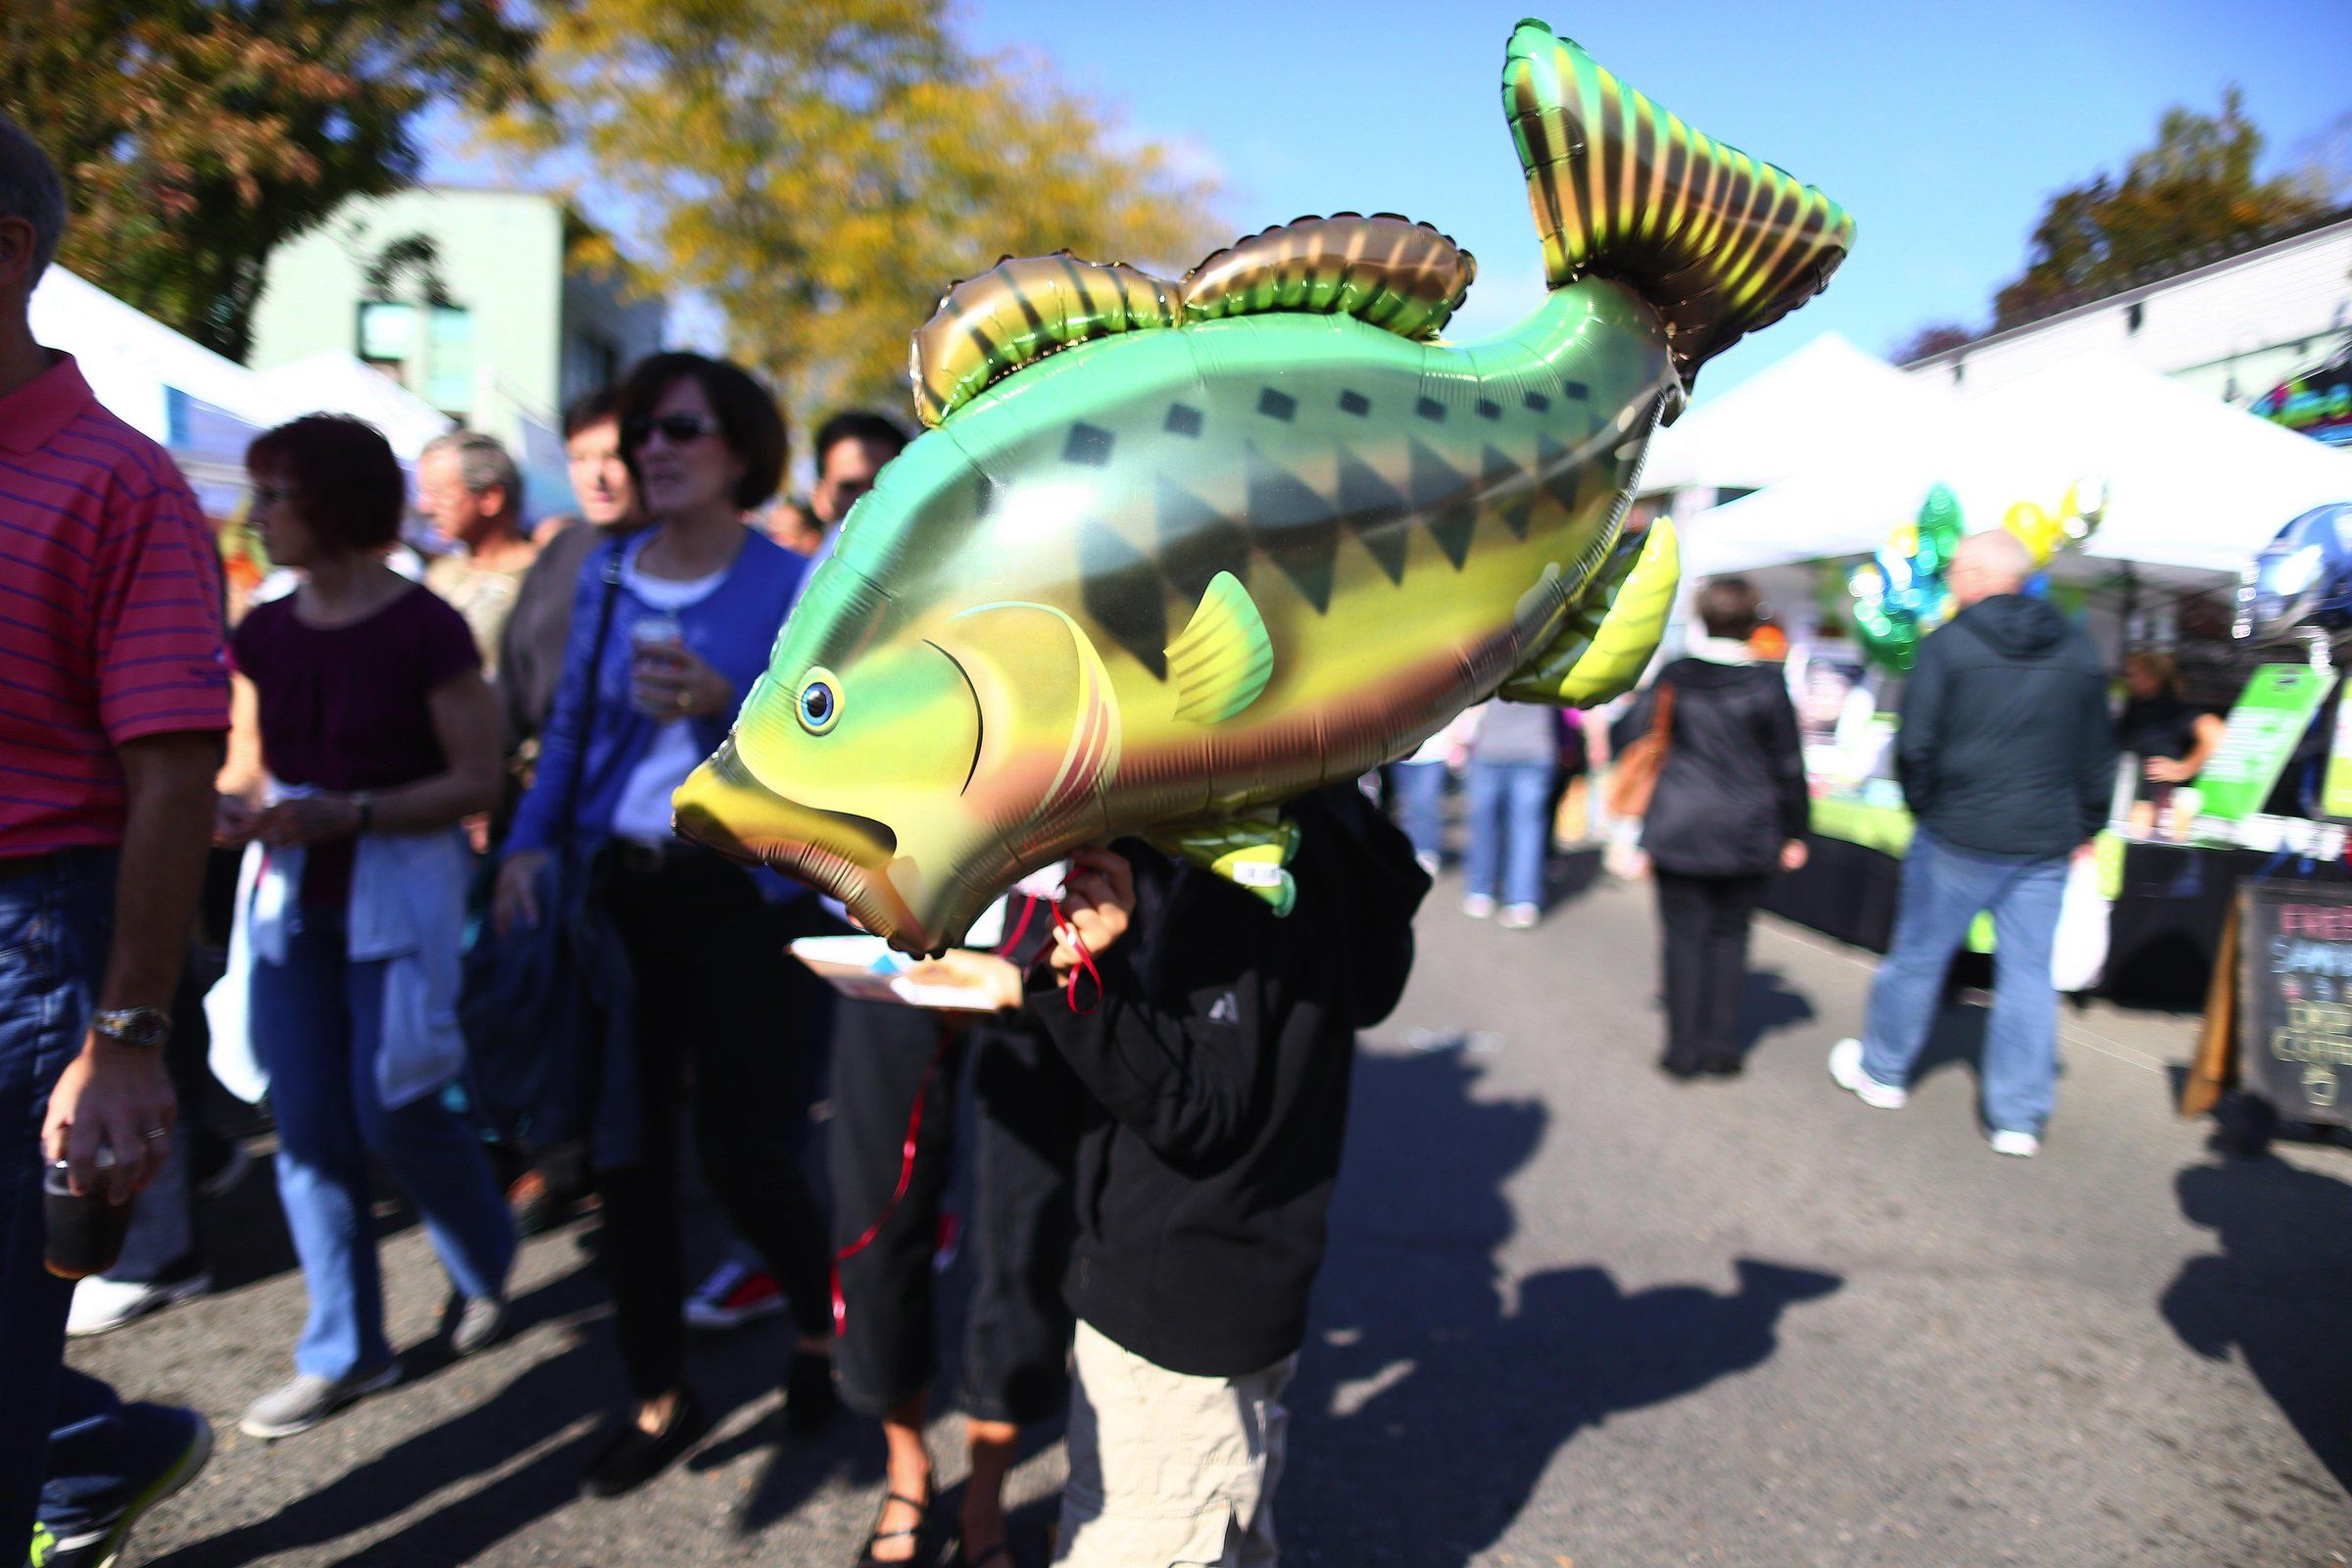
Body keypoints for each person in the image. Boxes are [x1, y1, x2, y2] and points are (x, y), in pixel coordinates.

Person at [492, 351, 840, 1496]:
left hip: (744, 897)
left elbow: (829, 760)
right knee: (625, 1160)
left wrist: (720, 709)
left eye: (681, 427)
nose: (655, 447)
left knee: (748, 1157)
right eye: (644, 430)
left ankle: (816, 1330)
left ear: (740, 446)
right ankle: (659, 1393)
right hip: (618, 894)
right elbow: (574, 733)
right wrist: (530, 845)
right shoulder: (605, 575)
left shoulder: (794, 584)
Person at [926, 786, 1427, 1566]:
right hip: (1254, 1271)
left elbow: (1197, 1107)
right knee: (1225, 1522)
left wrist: (1075, 976)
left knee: (1156, 1523)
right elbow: (1373, 988)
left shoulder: (1241, 858)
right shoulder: (1338, 830)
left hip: (1173, 1298)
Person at [0, 113, 227, 1568]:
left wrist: (128, 1033)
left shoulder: (118, 480)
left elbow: (173, 776)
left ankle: (73, 1445)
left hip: (37, 941)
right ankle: (97, 1443)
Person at [206, 415, 516, 1440]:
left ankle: (484, 1261)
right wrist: (222, 807)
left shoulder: (423, 625)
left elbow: (478, 773)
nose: (259, 517)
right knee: (306, 1126)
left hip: (399, 885)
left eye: (277, 495)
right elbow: (245, 759)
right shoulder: (265, 623)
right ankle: (346, 1350)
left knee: (400, 1105)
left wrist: (365, 812)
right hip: (292, 896)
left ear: (333, 503)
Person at [683, 404, 912, 1335]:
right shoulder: (813, 571)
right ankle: (794, 1259)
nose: (861, 500)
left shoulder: (932, 573)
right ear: (818, 492)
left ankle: (871, 1263)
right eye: (845, 484)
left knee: (874, 1091)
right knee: (798, 1096)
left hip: (889, 876)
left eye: (881, 481)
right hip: (790, 873)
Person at [1830, 531, 2116, 1156]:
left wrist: (1927, 807)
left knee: (1918, 959)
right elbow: (2099, 755)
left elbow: (1916, 746)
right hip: (2042, 837)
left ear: (1980, 574)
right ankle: (2017, 1116)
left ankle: (1883, 1071)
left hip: (1960, 832)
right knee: (2027, 978)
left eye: (1958, 568)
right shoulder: (2075, 649)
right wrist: (2086, 826)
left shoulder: (1948, 645)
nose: (1951, 577)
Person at [833, 933, 1083, 1568]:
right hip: (891, 933)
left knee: (1028, 1238)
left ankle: (984, 1500)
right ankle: (906, 1468)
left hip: (1042, 940)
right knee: (874, 1222)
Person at [1627, 579, 1809, 1080]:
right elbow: (1788, 764)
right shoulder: (1767, 684)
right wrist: (1798, 832)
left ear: (1702, 617)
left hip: (1679, 823)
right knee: (1731, 938)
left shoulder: (1675, 676)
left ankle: (1682, 1050)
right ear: (1754, 619)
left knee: (1683, 939)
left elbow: (1634, 734)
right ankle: (1721, 1048)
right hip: (1747, 828)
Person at [416, 429, 538, 675]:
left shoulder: (545, 578)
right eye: (425, 493)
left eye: (439, 493)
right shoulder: (439, 575)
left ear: (490, 497)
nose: (425, 507)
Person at [1459, 702, 1561, 929]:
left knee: (1485, 824)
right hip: (1533, 748)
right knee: (1527, 829)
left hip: (1493, 748)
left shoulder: (1484, 664)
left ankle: (1481, 889)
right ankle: (1522, 900)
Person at [2116, 649, 2224, 838]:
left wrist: (2184, 769)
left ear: (2153, 675)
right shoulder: (2133, 706)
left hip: (2158, 811)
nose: (2127, 680)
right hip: (2130, 801)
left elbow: (2214, 731)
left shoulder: (2170, 709)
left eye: (2132, 674)